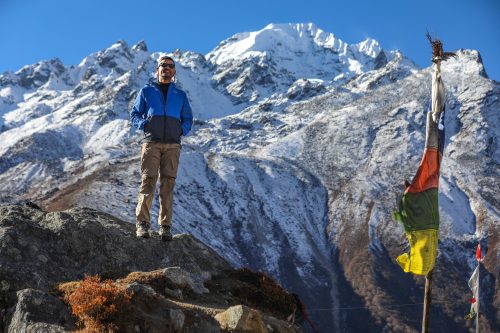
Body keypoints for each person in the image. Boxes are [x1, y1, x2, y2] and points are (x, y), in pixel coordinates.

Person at [130, 55, 193, 240]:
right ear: (157, 70)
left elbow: (188, 118)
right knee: (148, 181)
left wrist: (181, 130)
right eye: (162, 65)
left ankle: (165, 227)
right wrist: (145, 125)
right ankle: (142, 224)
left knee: (168, 185)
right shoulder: (146, 91)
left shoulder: (180, 95)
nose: (166, 68)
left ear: (174, 72)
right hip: (151, 143)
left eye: (170, 66)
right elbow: (134, 114)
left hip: (173, 145)